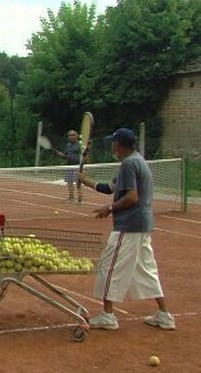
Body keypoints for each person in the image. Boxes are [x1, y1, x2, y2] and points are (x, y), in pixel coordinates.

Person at [78, 128, 174, 331]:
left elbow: (131, 197)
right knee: (147, 270)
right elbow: (110, 188)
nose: (112, 146)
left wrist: (109, 208)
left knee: (109, 267)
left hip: (128, 226)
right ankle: (164, 315)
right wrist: (85, 180)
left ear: (119, 145)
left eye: (114, 143)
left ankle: (108, 315)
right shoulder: (136, 161)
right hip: (142, 226)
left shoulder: (130, 164)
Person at [56, 129, 84, 203]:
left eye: (73, 135)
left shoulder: (80, 144)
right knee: (69, 182)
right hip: (69, 166)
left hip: (78, 167)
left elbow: (86, 155)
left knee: (78, 182)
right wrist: (61, 155)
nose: (71, 136)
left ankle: (80, 198)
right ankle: (71, 198)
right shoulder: (68, 145)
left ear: (77, 136)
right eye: (69, 135)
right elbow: (66, 156)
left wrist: (84, 165)